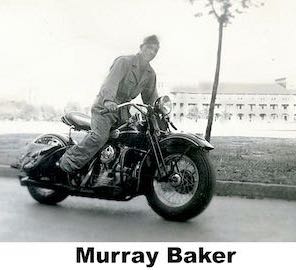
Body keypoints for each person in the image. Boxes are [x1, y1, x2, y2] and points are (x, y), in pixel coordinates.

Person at [59, 35, 160, 186]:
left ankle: (108, 174)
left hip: (122, 110)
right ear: (141, 47)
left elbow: (151, 98)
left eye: (155, 50)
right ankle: (66, 164)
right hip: (105, 107)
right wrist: (108, 100)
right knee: (99, 137)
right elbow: (110, 83)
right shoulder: (124, 62)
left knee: (131, 138)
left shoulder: (150, 74)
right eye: (149, 47)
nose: (151, 52)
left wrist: (159, 112)